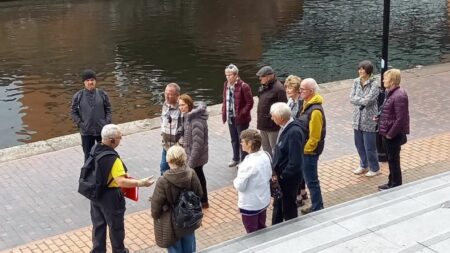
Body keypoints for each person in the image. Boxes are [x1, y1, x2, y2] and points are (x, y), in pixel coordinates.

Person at [90, 124, 154, 253]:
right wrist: (141, 183)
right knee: (116, 227)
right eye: (120, 137)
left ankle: (98, 250)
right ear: (112, 140)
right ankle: (119, 251)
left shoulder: (95, 149)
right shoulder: (113, 159)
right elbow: (121, 181)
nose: (121, 139)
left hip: (96, 193)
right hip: (110, 197)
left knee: (98, 225)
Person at [151, 145, 203, 253]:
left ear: (169, 160)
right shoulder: (191, 173)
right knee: (190, 247)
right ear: (184, 158)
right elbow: (199, 193)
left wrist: (156, 216)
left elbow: (156, 205)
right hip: (189, 219)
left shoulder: (163, 180)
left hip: (171, 222)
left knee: (174, 248)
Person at [270, 102, 304, 225]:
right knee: (278, 205)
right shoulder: (286, 128)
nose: (272, 118)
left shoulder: (294, 132)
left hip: (288, 179)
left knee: (289, 206)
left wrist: (283, 176)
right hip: (282, 177)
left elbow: (295, 161)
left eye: (273, 116)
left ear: (280, 118)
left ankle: (291, 231)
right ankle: (276, 227)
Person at [233, 129, 272, 233]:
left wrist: (235, 181)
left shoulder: (247, 164)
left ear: (249, 143)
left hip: (250, 204)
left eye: (242, 141)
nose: (241, 143)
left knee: (252, 233)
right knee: (262, 227)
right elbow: (269, 175)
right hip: (263, 200)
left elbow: (240, 186)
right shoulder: (266, 155)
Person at [377, 69, 410, 190]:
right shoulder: (390, 92)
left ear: (392, 81)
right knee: (391, 159)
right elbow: (389, 112)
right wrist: (379, 117)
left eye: (385, 78)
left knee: (394, 160)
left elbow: (401, 118)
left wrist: (390, 134)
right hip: (387, 132)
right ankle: (392, 182)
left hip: (393, 134)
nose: (383, 80)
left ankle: (395, 183)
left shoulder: (399, 95)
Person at [71, 69, 112, 161]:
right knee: (88, 157)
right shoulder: (78, 96)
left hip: (102, 131)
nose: (90, 82)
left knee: (105, 154)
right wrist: (81, 124)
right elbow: (73, 112)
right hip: (86, 132)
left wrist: (106, 122)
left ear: (95, 81)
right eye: (87, 80)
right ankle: (88, 174)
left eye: (92, 80)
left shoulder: (102, 94)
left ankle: (104, 172)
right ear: (84, 82)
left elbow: (108, 109)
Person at [298, 78, 325, 214]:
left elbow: (315, 137)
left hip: (310, 152)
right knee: (309, 179)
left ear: (312, 91)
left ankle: (317, 206)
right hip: (306, 150)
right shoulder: (306, 104)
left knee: (312, 180)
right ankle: (316, 204)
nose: (300, 91)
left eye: (303, 89)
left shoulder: (315, 111)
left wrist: (305, 150)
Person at [178, 94, 209, 208]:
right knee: (199, 177)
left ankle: (202, 201)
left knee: (198, 178)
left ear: (189, 104)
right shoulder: (187, 116)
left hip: (196, 156)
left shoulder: (195, 120)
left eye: (183, 105)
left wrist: (190, 163)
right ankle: (202, 201)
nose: (181, 107)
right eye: (179, 105)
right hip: (191, 154)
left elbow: (197, 144)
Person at [350, 60, 381, 177]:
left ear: (368, 70)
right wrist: (361, 100)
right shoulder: (356, 82)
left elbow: (369, 101)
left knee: (370, 146)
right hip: (356, 118)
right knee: (359, 144)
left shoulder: (374, 84)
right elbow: (351, 98)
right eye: (359, 69)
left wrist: (359, 99)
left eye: (363, 69)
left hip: (369, 119)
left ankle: (375, 168)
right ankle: (364, 165)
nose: (360, 71)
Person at [222, 64, 254, 167]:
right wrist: (224, 111)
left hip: (241, 118)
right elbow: (224, 100)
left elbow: (250, 102)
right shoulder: (226, 85)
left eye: (230, 75)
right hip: (230, 116)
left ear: (236, 75)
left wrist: (242, 113)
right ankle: (235, 158)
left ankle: (243, 160)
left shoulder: (244, 86)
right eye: (226, 75)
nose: (228, 77)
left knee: (243, 140)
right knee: (234, 139)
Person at [284, 75, 308, 206]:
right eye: (287, 87)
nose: (288, 90)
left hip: (298, 139)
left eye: (291, 87)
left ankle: (298, 195)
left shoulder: (300, 103)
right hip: (292, 136)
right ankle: (303, 191)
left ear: (298, 89)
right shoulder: (290, 101)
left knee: (296, 167)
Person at [256, 66, 287, 157]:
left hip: (273, 126)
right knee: (266, 150)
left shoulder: (279, 89)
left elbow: (283, 108)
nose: (260, 78)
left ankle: (276, 169)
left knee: (274, 150)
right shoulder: (264, 87)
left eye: (262, 76)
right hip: (263, 124)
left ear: (269, 76)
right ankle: (269, 168)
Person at [160, 83, 182, 175]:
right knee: (163, 171)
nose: (167, 96)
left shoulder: (181, 108)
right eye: (166, 93)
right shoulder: (165, 105)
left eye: (170, 94)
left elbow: (185, 129)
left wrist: (179, 145)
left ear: (177, 95)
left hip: (177, 149)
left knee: (177, 173)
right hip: (166, 147)